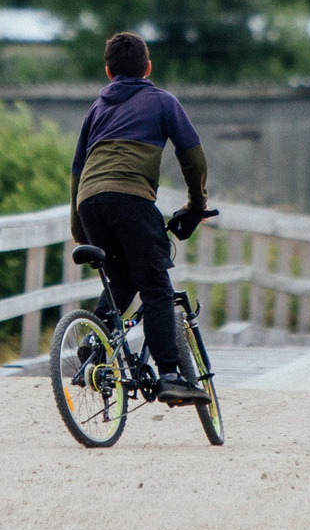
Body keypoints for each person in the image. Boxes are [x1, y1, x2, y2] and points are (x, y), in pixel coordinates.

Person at [69, 31, 208, 403]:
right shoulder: (162, 101)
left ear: (108, 71)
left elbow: (77, 170)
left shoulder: (95, 109)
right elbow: (192, 155)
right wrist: (197, 204)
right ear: (148, 67)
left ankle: (93, 348)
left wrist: (78, 228)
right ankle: (169, 374)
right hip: (131, 199)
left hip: (90, 201)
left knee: (122, 279)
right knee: (156, 285)